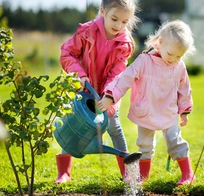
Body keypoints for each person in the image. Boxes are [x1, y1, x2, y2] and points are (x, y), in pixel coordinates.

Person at [97, 20, 196, 186]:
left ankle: (188, 173)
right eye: (170, 54)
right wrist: (110, 97)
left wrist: (184, 111)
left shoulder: (179, 67)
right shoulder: (144, 61)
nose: (173, 59)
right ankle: (143, 176)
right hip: (146, 110)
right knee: (144, 144)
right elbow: (124, 78)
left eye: (179, 56)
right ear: (160, 43)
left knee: (175, 141)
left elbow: (185, 89)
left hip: (168, 111)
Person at [55, 0, 140, 184]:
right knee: (74, 126)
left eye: (124, 22)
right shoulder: (86, 32)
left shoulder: (124, 44)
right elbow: (67, 53)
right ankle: (64, 173)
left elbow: (118, 74)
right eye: (114, 19)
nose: (118, 26)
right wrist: (79, 75)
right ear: (102, 11)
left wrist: (109, 96)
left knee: (114, 128)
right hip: (82, 90)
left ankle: (128, 174)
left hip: (108, 94)